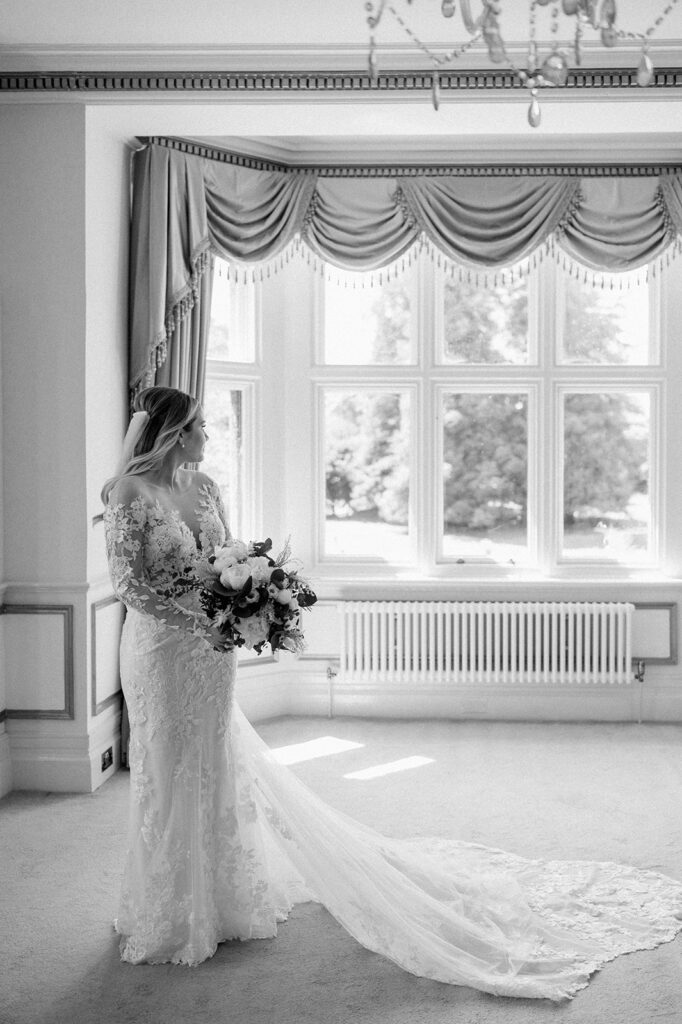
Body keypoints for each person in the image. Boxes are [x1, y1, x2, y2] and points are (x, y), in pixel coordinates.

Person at [103, 385, 682, 998]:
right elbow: (130, 587)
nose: (207, 435)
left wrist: (245, 596)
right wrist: (208, 613)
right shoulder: (128, 495)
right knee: (169, 768)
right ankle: (171, 909)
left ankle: (220, 901)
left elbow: (226, 554)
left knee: (214, 763)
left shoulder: (206, 486)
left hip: (212, 654)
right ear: (171, 430)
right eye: (198, 425)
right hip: (162, 654)